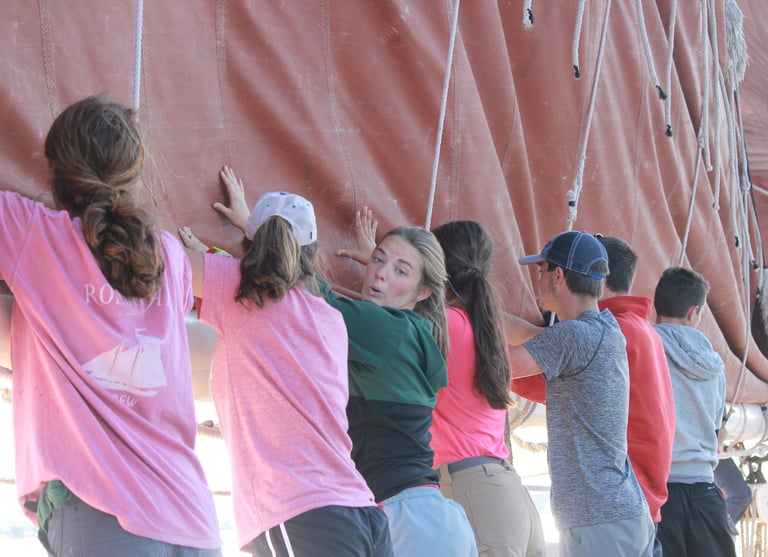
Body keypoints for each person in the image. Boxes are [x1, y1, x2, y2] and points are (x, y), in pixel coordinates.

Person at [0, 95, 221, 556]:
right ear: (135, 173)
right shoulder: (170, 257)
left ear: (55, 169)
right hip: (194, 521)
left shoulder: (29, 233)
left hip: (102, 514)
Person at [209, 181, 477, 556]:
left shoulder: (388, 330)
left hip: (403, 518)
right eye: (378, 260)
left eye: (400, 271)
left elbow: (299, 291)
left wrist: (258, 232)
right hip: (416, 518)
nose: (380, 274)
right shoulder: (410, 332)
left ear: (423, 294)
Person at [178, 167, 393, 556]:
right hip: (363, 512)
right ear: (312, 254)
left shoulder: (237, 289)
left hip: (300, 515)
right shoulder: (330, 317)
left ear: (252, 245)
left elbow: (157, 260)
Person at [504, 230, 654, 557]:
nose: (538, 279)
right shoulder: (605, 328)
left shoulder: (573, 337)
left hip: (597, 519)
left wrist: (454, 315)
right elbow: (538, 337)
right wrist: (482, 312)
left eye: (541, 271)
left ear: (558, 276)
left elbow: (504, 365)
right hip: (622, 512)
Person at [429, 220, 546, 557]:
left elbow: (387, 325)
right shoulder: (489, 324)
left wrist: (378, 267)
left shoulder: (445, 324)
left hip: (475, 490)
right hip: (506, 489)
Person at [596, 235, 675, 556]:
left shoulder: (611, 331)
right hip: (645, 501)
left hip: (620, 502)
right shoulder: (644, 330)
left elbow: (542, 383)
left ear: (596, 276)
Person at [653, 267, 736, 557]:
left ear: (656, 303)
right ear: (694, 312)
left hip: (657, 496)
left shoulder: (641, 348)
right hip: (704, 495)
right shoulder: (714, 365)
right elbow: (717, 431)